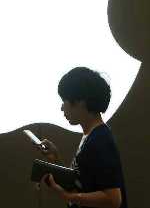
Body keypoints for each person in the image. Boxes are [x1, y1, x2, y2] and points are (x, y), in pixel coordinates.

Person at [36, 67, 127, 208]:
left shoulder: (100, 140)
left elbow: (113, 199)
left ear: (80, 102)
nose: (62, 108)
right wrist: (56, 158)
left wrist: (68, 196)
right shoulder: (91, 136)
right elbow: (81, 183)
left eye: (64, 101)